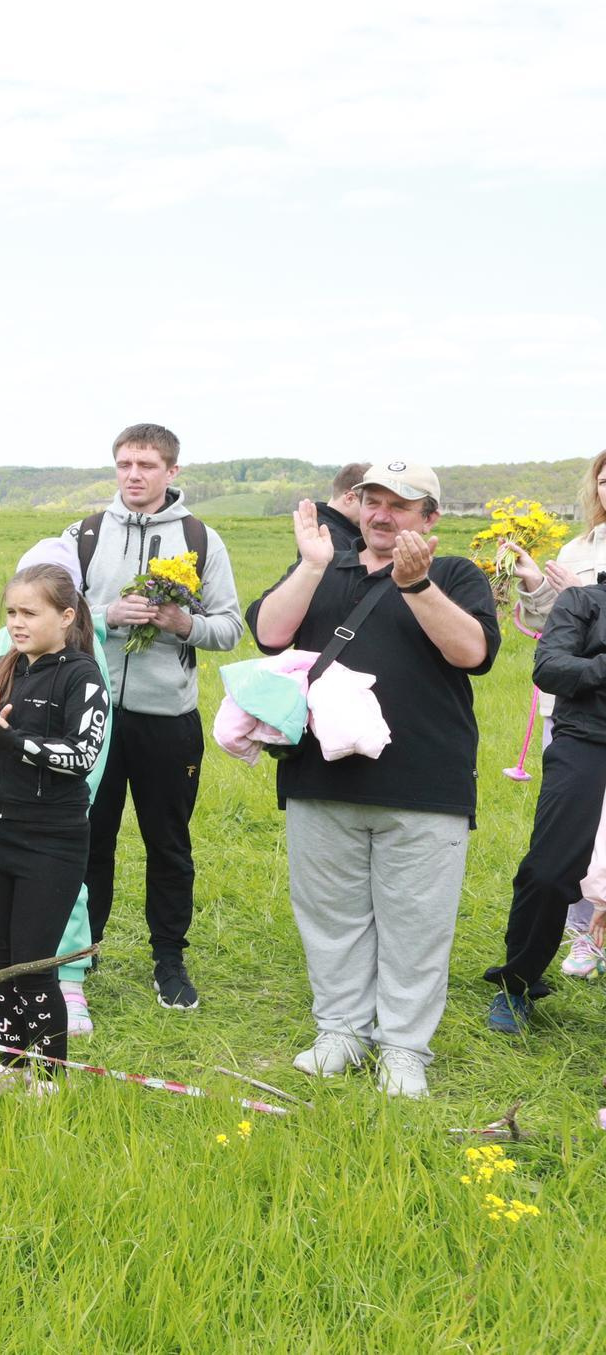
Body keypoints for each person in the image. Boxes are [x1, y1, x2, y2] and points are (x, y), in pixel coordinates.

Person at [248, 462, 498, 1099]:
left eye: (401, 505)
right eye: (371, 501)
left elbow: (472, 653)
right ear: (356, 505)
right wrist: (307, 566)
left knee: (417, 922)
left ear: (429, 518)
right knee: (330, 916)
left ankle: (404, 1048)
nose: (383, 515)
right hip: (321, 776)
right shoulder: (323, 566)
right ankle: (341, 1031)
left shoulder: (455, 575)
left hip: (424, 782)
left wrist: (418, 587)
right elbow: (270, 634)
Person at [60, 424, 244, 1012]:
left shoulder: (201, 539)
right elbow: (52, 613)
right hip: (96, 713)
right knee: (91, 840)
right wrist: (105, 613)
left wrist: (182, 624)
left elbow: (231, 627)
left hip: (169, 718)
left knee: (169, 845)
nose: (133, 475)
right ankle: (79, 958)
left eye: (145, 464)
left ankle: (169, 960)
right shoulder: (85, 535)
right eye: (123, 464)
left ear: (172, 472)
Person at [0, 562, 108, 1092]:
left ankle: (49, 1075)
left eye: (29, 613)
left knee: (36, 964)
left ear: (66, 616)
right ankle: (11, 1061)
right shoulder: (7, 666)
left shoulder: (82, 676)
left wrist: (5, 740)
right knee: (2, 959)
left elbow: (81, 755)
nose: (17, 623)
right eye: (11, 612)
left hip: (51, 841)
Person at [497, 447, 606, 973]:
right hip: (582, 719)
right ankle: (577, 935)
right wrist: (539, 583)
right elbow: (554, 629)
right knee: (572, 845)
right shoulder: (579, 547)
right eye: (604, 480)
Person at [485, 572, 606, 1032]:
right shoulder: (584, 601)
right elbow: (549, 667)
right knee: (551, 870)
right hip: (587, 741)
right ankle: (517, 984)